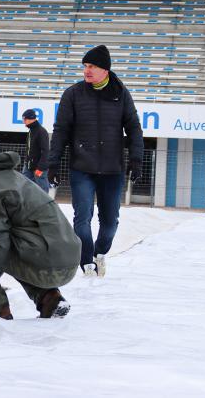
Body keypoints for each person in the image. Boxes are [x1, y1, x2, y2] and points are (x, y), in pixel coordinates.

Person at [0, 141, 81, 320]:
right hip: (68, 261)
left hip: (48, 265)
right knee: (15, 240)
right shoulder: (11, 177)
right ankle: (49, 298)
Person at [47, 45, 144, 278]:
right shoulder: (73, 94)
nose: (86, 71)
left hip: (113, 169)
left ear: (105, 70)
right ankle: (87, 264)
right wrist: (53, 163)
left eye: (92, 66)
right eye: (85, 66)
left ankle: (99, 254)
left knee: (110, 222)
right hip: (82, 167)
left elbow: (133, 128)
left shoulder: (121, 94)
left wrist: (136, 159)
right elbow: (60, 130)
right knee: (82, 218)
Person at [21, 108, 50, 193]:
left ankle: (45, 205)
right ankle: (27, 205)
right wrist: (27, 162)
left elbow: (45, 151)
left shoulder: (41, 131)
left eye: (24, 119)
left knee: (42, 191)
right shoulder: (31, 131)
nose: (23, 121)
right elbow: (30, 149)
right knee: (24, 187)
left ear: (30, 118)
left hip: (39, 167)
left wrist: (40, 168)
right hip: (29, 166)